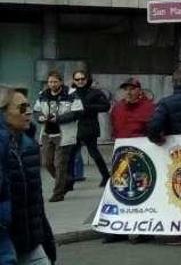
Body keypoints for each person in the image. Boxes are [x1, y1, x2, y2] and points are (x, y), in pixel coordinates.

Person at [2, 86, 57, 264]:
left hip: (30, 242)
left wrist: (45, 237)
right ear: (3, 112)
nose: (29, 112)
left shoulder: (30, 146)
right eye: (22, 108)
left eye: (29, 106)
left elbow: (36, 202)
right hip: (5, 241)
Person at [105, 77, 155, 244]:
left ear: (139, 90)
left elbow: (154, 129)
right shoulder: (117, 108)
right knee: (120, 191)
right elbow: (114, 128)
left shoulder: (149, 107)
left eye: (132, 88)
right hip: (121, 155)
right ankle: (118, 229)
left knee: (142, 192)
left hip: (142, 156)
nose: (129, 91)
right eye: (126, 88)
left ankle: (144, 229)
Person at [34, 70, 83, 202]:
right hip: (47, 133)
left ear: (60, 82)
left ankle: (58, 193)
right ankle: (65, 180)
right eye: (50, 82)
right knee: (47, 163)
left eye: (55, 81)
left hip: (63, 134)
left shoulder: (71, 94)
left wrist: (59, 119)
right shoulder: (42, 95)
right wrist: (40, 118)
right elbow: (36, 111)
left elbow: (77, 112)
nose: (52, 84)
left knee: (59, 164)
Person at [68, 70, 111, 189]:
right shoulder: (70, 93)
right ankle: (69, 181)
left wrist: (87, 107)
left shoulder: (95, 92)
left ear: (87, 80)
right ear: (74, 80)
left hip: (89, 127)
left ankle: (106, 176)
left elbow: (106, 106)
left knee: (94, 153)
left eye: (82, 79)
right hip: (74, 127)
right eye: (77, 79)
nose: (80, 81)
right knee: (70, 155)